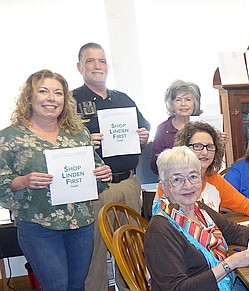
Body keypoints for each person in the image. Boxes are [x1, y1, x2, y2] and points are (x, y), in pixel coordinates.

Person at [0, 70, 112, 291]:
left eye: (58, 93)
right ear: (29, 97)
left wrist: (103, 173)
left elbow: (95, 168)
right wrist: (22, 181)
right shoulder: (9, 137)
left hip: (80, 222)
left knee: (76, 285)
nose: (51, 98)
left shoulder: (78, 132)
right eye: (43, 91)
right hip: (39, 226)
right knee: (56, 286)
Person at [73, 42, 152, 291]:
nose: (97, 66)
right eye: (90, 61)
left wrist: (143, 135)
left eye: (102, 61)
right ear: (79, 67)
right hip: (95, 189)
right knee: (95, 252)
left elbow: (145, 128)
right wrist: (83, 143)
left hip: (128, 183)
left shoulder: (123, 98)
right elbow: (58, 145)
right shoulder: (70, 101)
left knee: (130, 248)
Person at [145, 146, 249, 291]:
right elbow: (177, 288)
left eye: (193, 176)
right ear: (164, 186)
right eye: (177, 179)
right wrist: (230, 264)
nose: (187, 185)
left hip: (224, 283)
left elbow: (234, 232)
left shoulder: (199, 209)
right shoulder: (159, 230)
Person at [164, 121, 249, 222]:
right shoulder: (170, 183)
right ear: (184, 148)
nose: (204, 152)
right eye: (197, 146)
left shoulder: (214, 179)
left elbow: (244, 205)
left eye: (210, 147)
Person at [150, 80, 228, 175]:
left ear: (195, 103)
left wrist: (220, 144)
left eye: (188, 99)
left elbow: (215, 161)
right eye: (178, 100)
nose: (183, 104)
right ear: (171, 103)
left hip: (204, 176)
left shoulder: (207, 126)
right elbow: (154, 165)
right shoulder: (163, 128)